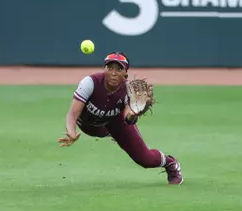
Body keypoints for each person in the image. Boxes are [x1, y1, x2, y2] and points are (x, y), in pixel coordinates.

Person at [58, 52, 183, 185]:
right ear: (104, 69)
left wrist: (135, 114)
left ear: (125, 74)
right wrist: (71, 132)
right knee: (94, 129)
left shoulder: (129, 90)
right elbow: (72, 114)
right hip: (89, 125)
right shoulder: (90, 83)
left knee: (145, 159)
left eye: (119, 69)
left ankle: (171, 164)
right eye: (110, 68)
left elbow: (128, 120)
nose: (113, 72)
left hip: (115, 123)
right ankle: (112, 135)